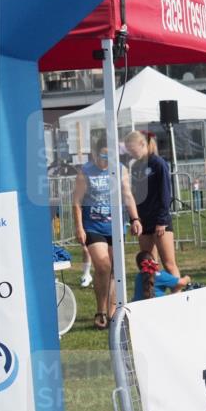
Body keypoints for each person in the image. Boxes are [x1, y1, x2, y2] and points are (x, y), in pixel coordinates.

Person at [72, 139, 143, 328]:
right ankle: (100, 310)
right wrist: (79, 227)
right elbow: (77, 202)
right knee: (103, 266)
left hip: (116, 226)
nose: (106, 160)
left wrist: (135, 219)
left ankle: (112, 313)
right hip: (93, 226)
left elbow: (127, 195)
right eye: (103, 155)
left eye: (109, 156)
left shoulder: (120, 169)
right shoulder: (85, 173)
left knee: (114, 271)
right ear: (95, 154)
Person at [125, 130, 180, 279]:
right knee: (148, 264)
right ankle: (151, 296)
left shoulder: (158, 163)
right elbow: (134, 195)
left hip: (159, 220)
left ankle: (178, 294)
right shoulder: (136, 166)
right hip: (144, 221)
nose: (130, 152)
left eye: (132, 148)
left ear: (142, 144)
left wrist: (161, 221)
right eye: (128, 150)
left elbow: (165, 193)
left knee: (169, 264)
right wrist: (134, 219)